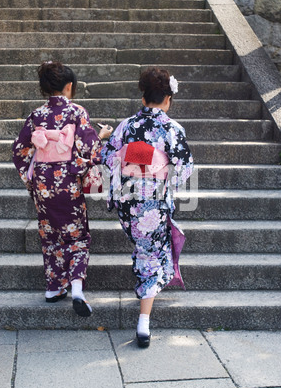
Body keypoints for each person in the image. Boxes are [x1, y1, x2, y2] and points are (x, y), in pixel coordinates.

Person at [101, 67, 194, 347]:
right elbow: (184, 168)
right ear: (168, 99)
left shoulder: (126, 126)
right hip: (154, 200)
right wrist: (163, 175)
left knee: (146, 250)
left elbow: (107, 158)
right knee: (150, 256)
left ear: (143, 98)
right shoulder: (172, 129)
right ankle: (143, 323)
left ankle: (148, 290)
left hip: (129, 202)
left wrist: (110, 143)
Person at [12, 61, 113, 317]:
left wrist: (31, 180)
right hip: (68, 180)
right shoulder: (77, 112)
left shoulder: (36, 115)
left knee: (50, 233)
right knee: (76, 234)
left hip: (44, 183)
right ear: (69, 86)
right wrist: (98, 142)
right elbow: (90, 149)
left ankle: (54, 288)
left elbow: (19, 151)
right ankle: (77, 288)